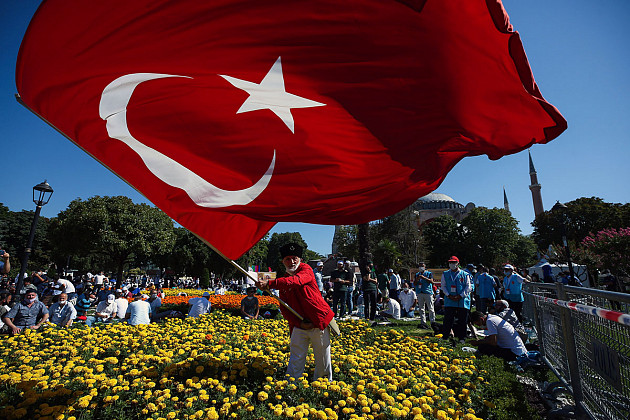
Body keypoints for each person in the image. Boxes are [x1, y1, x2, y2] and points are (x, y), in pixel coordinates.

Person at [255, 242, 334, 381]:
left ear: (300, 260)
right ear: (283, 261)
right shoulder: (284, 280)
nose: (291, 262)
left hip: (318, 322)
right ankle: (291, 385)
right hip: (299, 325)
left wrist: (270, 283)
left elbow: (296, 281)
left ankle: (323, 386)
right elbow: (284, 308)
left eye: (294, 258)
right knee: (296, 357)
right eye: (287, 259)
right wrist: (299, 323)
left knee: (322, 359)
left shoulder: (306, 270)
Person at [440, 256, 472, 342]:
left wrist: (460, 295)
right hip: (450, 299)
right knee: (448, 319)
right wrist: (448, 295)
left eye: (454, 262)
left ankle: (462, 338)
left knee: (462, 320)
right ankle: (445, 336)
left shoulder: (465, 274)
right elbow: (443, 286)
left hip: (462, 300)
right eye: (450, 262)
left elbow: (468, 287)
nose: (452, 264)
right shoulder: (445, 274)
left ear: (458, 263)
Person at [414, 262, 435, 329]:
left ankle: (432, 322)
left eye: (422, 266)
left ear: (425, 267)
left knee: (430, 308)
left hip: (428, 292)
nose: (421, 267)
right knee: (421, 308)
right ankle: (423, 322)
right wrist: (417, 279)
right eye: (419, 266)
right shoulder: (417, 274)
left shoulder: (429, 273)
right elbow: (414, 284)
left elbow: (432, 281)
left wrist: (424, 278)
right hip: (420, 292)